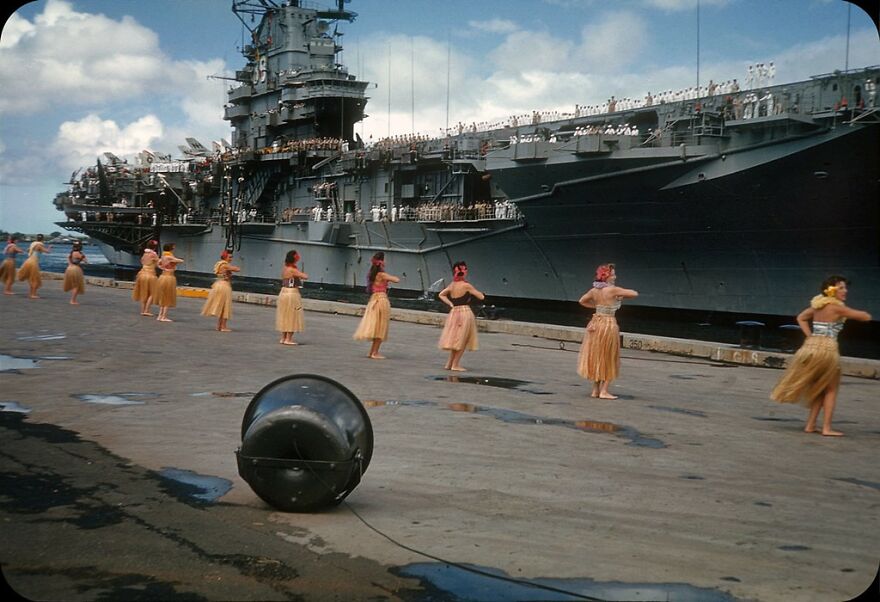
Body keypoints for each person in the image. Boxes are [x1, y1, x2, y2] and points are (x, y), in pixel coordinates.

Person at [770, 276, 871, 436]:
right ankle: (827, 428)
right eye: (841, 288)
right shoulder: (836, 308)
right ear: (831, 290)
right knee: (831, 389)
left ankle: (810, 425)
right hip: (827, 350)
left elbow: (801, 317)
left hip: (810, 348)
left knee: (820, 388)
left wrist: (809, 336)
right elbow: (863, 316)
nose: (845, 291)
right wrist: (864, 314)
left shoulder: (817, 306)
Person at [576, 263, 639, 399]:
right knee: (609, 356)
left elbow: (582, 301)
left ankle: (595, 390)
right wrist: (620, 296)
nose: (615, 277)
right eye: (613, 274)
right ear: (607, 277)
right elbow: (634, 293)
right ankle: (604, 391)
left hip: (596, 323)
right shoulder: (612, 290)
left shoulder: (594, 290)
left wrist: (597, 307)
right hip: (608, 324)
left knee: (597, 356)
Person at [437, 261, 485, 371]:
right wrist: (480, 294)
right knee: (462, 339)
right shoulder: (466, 285)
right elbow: (481, 297)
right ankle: (455, 365)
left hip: (454, 312)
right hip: (465, 312)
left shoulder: (452, 285)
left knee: (456, 338)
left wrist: (450, 303)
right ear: (464, 272)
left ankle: (449, 363)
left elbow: (441, 294)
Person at [353, 251, 400, 359]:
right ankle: (375, 353)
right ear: (381, 262)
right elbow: (397, 280)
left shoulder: (372, 274)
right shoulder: (382, 275)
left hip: (373, 300)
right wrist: (388, 276)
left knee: (376, 326)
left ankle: (371, 352)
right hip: (381, 300)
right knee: (380, 327)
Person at [201, 249, 240, 332]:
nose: (231, 259)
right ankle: (223, 326)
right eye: (230, 257)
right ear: (225, 257)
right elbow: (237, 269)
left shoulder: (219, 263)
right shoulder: (225, 265)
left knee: (222, 306)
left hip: (218, 284)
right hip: (224, 286)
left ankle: (219, 326)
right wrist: (234, 267)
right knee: (225, 306)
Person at [275, 250, 308, 345]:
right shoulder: (292, 270)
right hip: (292, 293)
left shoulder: (285, 268)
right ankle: (288, 339)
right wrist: (301, 273)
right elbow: (305, 276)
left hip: (283, 292)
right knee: (292, 315)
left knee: (285, 315)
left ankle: (283, 337)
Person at [155, 243, 184, 322]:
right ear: (171, 248)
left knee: (163, 296)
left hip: (162, 276)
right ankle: (164, 316)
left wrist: (163, 268)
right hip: (169, 277)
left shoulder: (163, 256)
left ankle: (160, 315)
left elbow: (158, 263)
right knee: (168, 296)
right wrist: (175, 261)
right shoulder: (169, 257)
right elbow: (180, 260)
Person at [16, 234, 50, 299]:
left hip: (28, 261)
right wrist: (49, 247)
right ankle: (33, 294)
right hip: (33, 262)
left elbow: (27, 250)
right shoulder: (39, 245)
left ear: (36, 238)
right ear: (42, 239)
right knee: (35, 279)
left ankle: (31, 294)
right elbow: (47, 251)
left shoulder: (33, 244)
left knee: (31, 278)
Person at [132, 240, 160, 316]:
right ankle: (147, 310)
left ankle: (143, 310)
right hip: (150, 274)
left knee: (144, 292)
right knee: (153, 293)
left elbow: (142, 261)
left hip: (142, 273)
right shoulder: (154, 254)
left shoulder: (145, 254)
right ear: (155, 247)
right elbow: (158, 264)